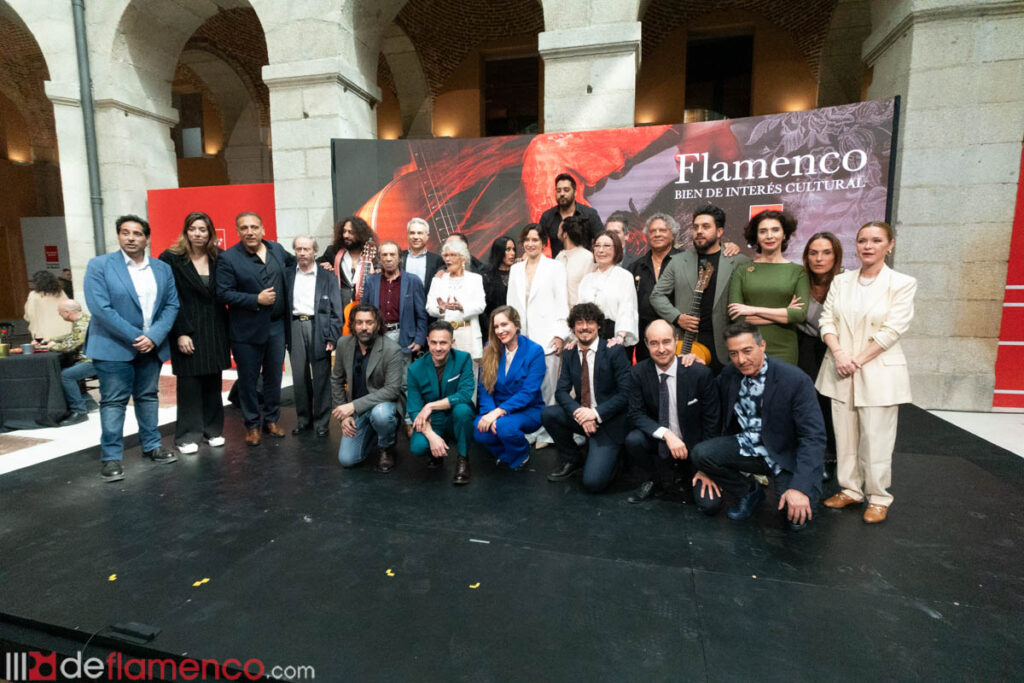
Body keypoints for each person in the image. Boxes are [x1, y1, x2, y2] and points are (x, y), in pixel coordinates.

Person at [816, 221, 917, 524]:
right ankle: (850, 489)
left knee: (876, 438)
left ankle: (878, 496)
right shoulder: (842, 281)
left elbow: (892, 330)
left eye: (876, 240)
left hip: (877, 371)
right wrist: (839, 354)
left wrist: (856, 360)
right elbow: (826, 320)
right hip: (839, 368)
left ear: (890, 245)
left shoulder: (901, 283)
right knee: (844, 435)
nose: (868, 246)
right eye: (862, 240)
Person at [689, 322, 826, 531]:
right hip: (749, 447)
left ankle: (800, 486)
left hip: (785, 455)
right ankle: (749, 491)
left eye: (747, 351)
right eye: (733, 353)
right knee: (701, 454)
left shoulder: (795, 380)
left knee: (796, 522)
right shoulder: (730, 374)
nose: (741, 360)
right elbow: (709, 400)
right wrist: (695, 366)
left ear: (762, 346)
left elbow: (813, 438)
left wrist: (800, 487)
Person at [83, 215, 180, 482]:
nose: (131, 238)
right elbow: (100, 308)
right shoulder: (99, 266)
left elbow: (172, 305)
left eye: (137, 233)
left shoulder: (162, 269)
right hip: (114, 347)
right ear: (118, 236)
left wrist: (155, 336)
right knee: (114, 401)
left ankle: (152, 446)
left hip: (151, 346)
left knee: (148, 396)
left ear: (146, 238)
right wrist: (137, 336)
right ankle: (111, 458)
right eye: (125, 232)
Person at [216, 211, 296, 446]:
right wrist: (255, 299)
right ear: (238, 231)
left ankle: (271, 419)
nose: (249, 232)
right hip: (246, 331)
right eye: (244, 228)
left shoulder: (276, 249)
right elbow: (223, 293)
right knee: (248, 381)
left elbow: (292, 264)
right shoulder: (228, 258)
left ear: (263, 229)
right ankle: (252, 425)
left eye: (254, 227)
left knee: (274, 377)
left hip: (276, 327)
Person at [158, 211, 231, 453]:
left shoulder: (219, 257)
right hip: (186, 329)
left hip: (215, 328)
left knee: (213, 381)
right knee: (189, 385)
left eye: (203, 229)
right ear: (186, 231)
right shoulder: (170, 258)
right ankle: (187, 436)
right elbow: (169, 298)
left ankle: (213, 430)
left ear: (210, 233)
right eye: (193, 229)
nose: (198, 234)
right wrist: (181, 332)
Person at [625, 319, 720, 504]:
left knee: (709, 505)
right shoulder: (638, 373)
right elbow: (635, 414)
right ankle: (651, 478)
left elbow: (712, 422)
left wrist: (706, 467)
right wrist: (667, 434)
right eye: (654, 343)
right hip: (660, 443)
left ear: (676, 340)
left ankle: (688, 474)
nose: (661, 349)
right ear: (646, 344)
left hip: (694, 447)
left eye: (666, 341)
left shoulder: (699, 373)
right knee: (633, 439)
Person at [542, 302, 632, 493]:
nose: (584, 327)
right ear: (573, 327)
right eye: (579, 322)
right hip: (584, 415)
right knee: (549, 414)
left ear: (599, 325)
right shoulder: (569, 353)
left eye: (590, 322)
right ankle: (572, 459)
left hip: (609, 422)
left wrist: (594, 414)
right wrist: (579, 413)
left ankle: (617, 457)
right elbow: (561, 392)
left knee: (593, 483)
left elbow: (626, 394)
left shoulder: (613, 350)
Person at [651, 205, 751, 373]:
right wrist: (677, 317)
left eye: (706, 227)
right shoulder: (677, 261)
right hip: (687, 343)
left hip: (724, 345)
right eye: (695, 227)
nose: (699, 231)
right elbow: (656, 295)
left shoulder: (739, 261)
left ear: (719, 232)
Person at [506, 223, 569, 447]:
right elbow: (510, 306)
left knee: (548, 388)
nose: (531, 244)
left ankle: (547, 432)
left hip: (548, 337)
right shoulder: (515, 269)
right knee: (525, 387)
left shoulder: (555, 267)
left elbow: (563, 302)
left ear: (544, 243)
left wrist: (561, 334)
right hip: (522, 338)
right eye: (527, 239)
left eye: (535, 239)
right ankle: (531, 429)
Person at [727, 209, 809, 365]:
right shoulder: (742, 270)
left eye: (775, 230)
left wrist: (753, 310)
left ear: (784, 234)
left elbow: (799, 315)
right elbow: (737, 315)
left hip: (785, 349)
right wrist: (784, 316)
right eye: (763, 231)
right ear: (756, 237)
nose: (769, 236)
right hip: (747, 347)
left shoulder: (798, 272)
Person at [331, 303, 406, 472]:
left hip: (383, 407)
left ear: (377, 324)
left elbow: (392, 390)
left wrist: (352, 406)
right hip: (358, 412)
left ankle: (386, 446)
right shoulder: (344, 344)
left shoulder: (392, 349)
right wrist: (344, 417)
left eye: (369, 322)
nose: (364, 327)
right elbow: (336, 379)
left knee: (381, 414)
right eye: (359, 322)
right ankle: (373, 433)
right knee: (347, 460)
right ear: (352, 325)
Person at [474, 306, 546, 470]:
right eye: (496, 327)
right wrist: (490, 414)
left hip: (527, 409)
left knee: (505, 427)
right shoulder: (489, 348)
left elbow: (528, 393)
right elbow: (484, 390)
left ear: (516, 325)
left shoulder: (534, 351)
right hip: (497, 409)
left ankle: (521, 453)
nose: (500, 330)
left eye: (504, 324)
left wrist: (498, 413)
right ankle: (504, 451)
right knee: (479, 429)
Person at [286, 235, 344, 437]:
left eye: (306, 249)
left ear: (315, 252)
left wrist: (332, 337)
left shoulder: (327, 277)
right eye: (299, 249)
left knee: (321, 377)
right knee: (299, 378)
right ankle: (303, 420)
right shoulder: (288, 275)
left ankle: (321, 423)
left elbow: (337, 310)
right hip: (294, 326)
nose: (302, 253)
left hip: (319, 327)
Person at [406, 321, 476, 484]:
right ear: (427, 341)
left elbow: (465, 394)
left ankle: (463, 459)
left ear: (452, 342)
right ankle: (434, 453)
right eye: (434, 342)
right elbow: (415, 409)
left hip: (456, 415)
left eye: (443, 343)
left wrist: (430, 405)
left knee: (463, 410)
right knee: (417, 447)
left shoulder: (463, 359)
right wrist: (431, 436)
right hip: (433, 421)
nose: (438, 348)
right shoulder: (415, 369)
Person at [797, 232, 843, 457]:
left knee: (830, 404)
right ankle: (811, 452)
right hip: (804, 346)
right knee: (809, 402)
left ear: (836, 256)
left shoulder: (845, 283)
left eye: (826, 253)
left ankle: (831, 454)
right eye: (813, 253)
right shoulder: (798, 281)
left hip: (835, 348)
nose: (819, 258)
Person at [628, 214, 681, 362]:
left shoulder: (685, 261)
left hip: (678, 337)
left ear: (673, 234)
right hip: (646, 342)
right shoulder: (636, 267)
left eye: (662, 230)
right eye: (652, 231)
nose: (657, 234)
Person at [363, 240, 427, 360]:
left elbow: (421, 315)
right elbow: (363, 313)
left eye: (392, 254)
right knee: (378, 376)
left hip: (403, 337)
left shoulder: (413, 281)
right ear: (379, 259)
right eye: (384, 255)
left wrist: (419, 339)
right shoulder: (370, 281)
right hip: (377, 336)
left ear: (399, 258)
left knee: (402, 377)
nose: (388, 259)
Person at [425, 239, 486, 364]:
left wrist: (462, 307)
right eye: (446, 255)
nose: (448, 259)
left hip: (468, 333)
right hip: (443, 336)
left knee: (468, 377)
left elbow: (481, 305)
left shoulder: (475, 279)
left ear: (463, 258)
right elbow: (429, 307)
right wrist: (440, 309)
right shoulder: (438, 280)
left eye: (452, 255)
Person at [577, 231, 638, 348]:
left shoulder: (624, 276)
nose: (601, 250)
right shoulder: (587, 279)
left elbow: (627, 308)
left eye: (606, 246)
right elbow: (579, 310)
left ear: (617, 250)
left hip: (613, 337)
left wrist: (620, 336)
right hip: (588, 336)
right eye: (597, 246)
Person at [44, 300, 95, 427]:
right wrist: (50, 340)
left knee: (66, 375)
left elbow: (68, 346)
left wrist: (52, 346)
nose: (59, 314)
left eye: (60, 312)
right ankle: (89, 403)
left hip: (93, 361)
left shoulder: (81, 325)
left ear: (67, 313)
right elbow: (73, 336)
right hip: (95, 358)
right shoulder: (84, 319)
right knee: (71, 368)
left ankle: (79, 411)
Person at [538, 173, 602, 256]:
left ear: (575, 192)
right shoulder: (547, 216)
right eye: (558, 190)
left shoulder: (589, 214)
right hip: (558, 265)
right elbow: (538, 241)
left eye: (566, 190)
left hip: (585, 265)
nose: (562, 194)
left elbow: (601, 239)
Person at [318, 215, 375, 308]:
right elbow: (315, 265)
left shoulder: (371, 256)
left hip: (363, 310)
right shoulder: (333, 252)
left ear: (360, 234)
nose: (345, 235)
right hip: (339, 311)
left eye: (350, 232)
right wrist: (324, 266)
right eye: (344, 231)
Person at [555, 215, 594, 307]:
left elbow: (589, 289)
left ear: (565, 234)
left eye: (559, 228)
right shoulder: (560, 256)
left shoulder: (587, 257)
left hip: (579, 313)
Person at [401, 217, 444, 300]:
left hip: (426, 307)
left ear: (427, 236)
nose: (415, 237)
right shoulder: (398, 256)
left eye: (420, 233)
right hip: (402, 307)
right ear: (407, 235)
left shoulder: (437, 260)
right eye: (412, 233)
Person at [480, 235, 516, 330]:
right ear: (499, 251)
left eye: (513, 249)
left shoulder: (518, 272)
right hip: (495, 326)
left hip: (516, 324)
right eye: (508, 249)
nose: (512, 253)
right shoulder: (487, 275)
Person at [24, 270, 71, 341]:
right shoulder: (60, 293)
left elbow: (30, 314)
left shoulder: (34, 295)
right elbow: (69, 307)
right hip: (65, 330)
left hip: (44, 333)